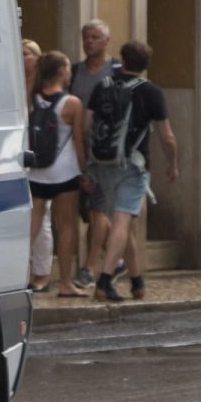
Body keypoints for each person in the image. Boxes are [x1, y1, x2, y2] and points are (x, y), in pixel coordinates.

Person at [90, 40, 178, 302]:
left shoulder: (102, 86)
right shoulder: (150, 92)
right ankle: (105, 280)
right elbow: (167, 136)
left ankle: (137, 281)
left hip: (103, 164)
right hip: (133, 166)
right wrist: (172, 164)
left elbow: (85, 125)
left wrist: (87, 163)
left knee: (122, 223)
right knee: (122, 222)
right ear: (146, 65)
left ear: (122, 60)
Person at [25, 51, 86, 297]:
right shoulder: (71, 104)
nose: (70, 71)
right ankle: (65, 283)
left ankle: (16, 277)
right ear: (61, 72)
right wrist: (85, 170)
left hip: (36, 173)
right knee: (66, 227)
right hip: (65, 173)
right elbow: (79, 142)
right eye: (68, 67)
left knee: (30, 227)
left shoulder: (32, 98)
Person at [68, 19, 122, 287]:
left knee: (96, 210)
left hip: (106, 153)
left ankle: (89, 268)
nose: (90, 41)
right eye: (86, 37)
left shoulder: (117, 72)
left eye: (96, 37)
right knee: (89, 212)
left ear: (106, 41)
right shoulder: (75, 72)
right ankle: (119, 255)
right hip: (77, 150)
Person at [20, 39, 54, 286]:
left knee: (42, 213)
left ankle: (41, 271)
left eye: (26, 54)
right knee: (27, 212)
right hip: (18, 151)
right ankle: (24, 267)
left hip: (39, 153)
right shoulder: (9, 82)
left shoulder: (44, 88)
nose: (21, 58)